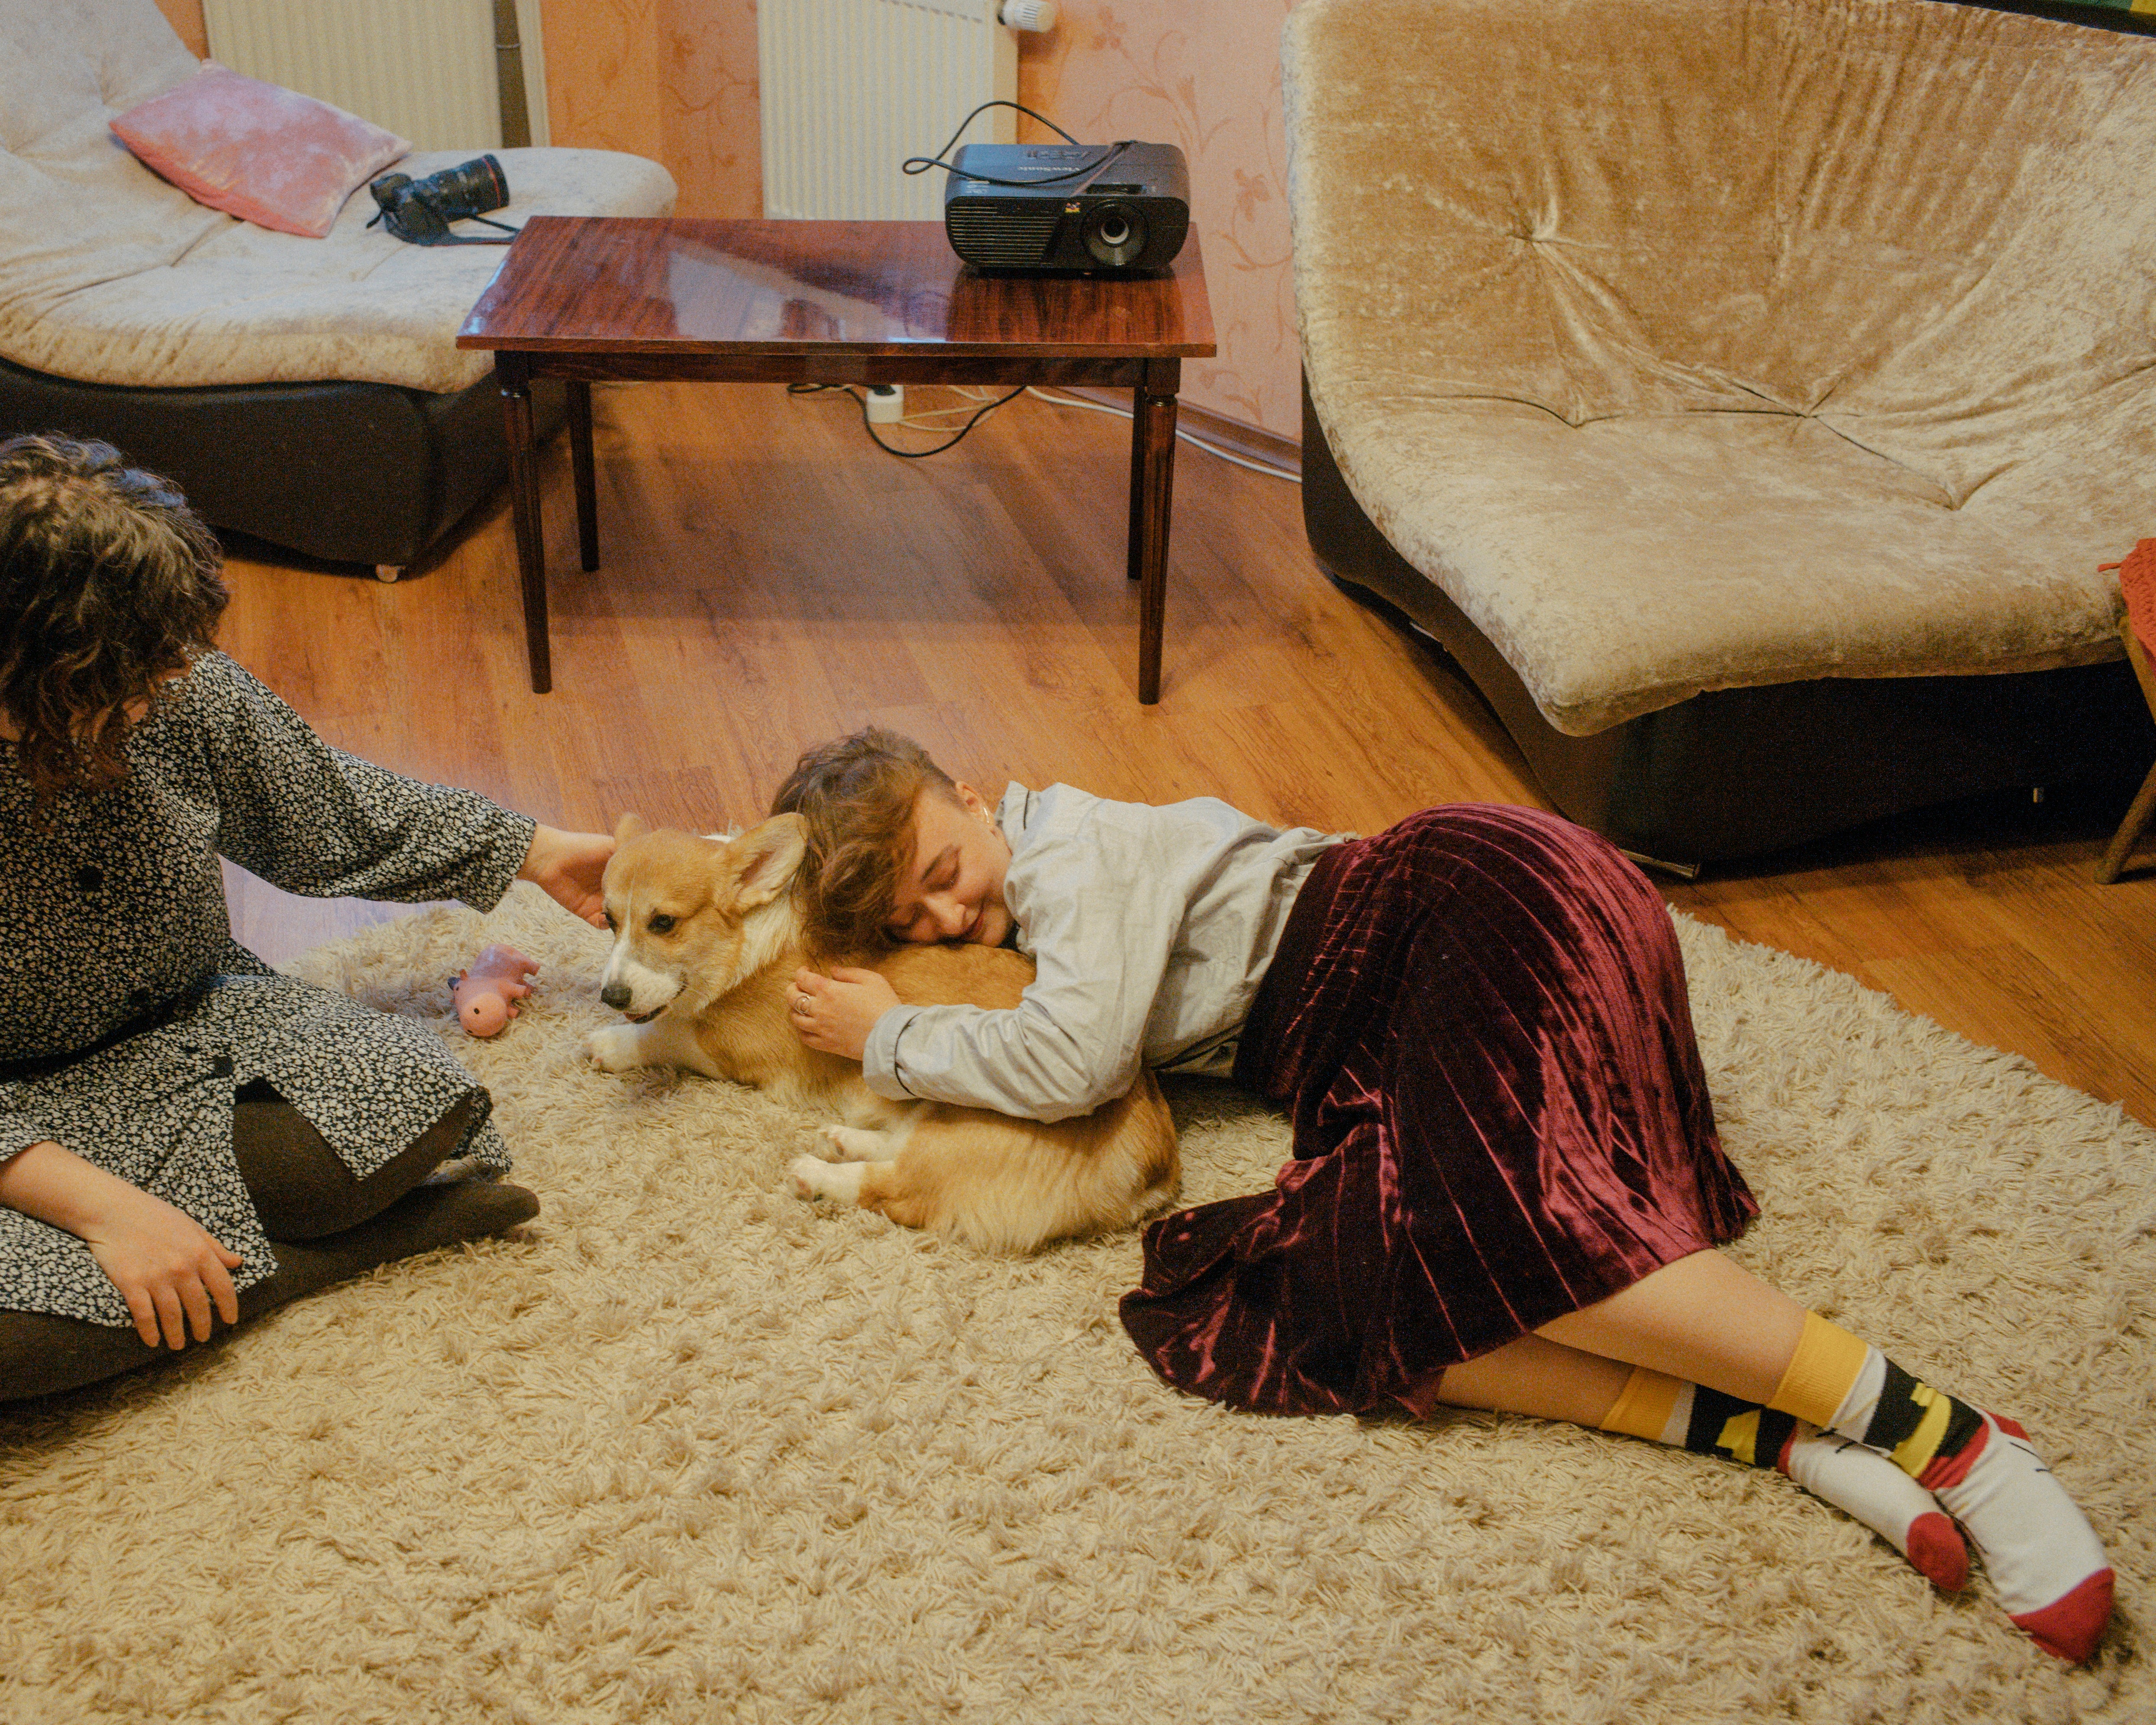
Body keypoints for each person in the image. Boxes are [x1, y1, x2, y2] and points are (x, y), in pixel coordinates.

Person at [770, 727, 2115, 1664]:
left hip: (1464, 900)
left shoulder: (1071, 850)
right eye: (913, 927)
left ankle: (1947, 1434)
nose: (949, 922)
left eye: (942, 876)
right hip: (1381, 1026)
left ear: (971, 795)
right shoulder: (1024, 884)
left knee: (1510, 1209)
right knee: (1320, 1298)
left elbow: (1073, 1063)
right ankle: (1773, 1439)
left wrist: (890, 1029)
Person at [0, 434, 613, 1400]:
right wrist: (106, 1215)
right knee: (12, 1343)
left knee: (415, 1104)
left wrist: (538, 852)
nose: (173, 685)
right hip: (11, 1124)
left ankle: (194, 1278)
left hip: (191, 1029)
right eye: (135, 679)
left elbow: (327, 810)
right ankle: (310, 1267)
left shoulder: (175, 680)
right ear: (33, 673)